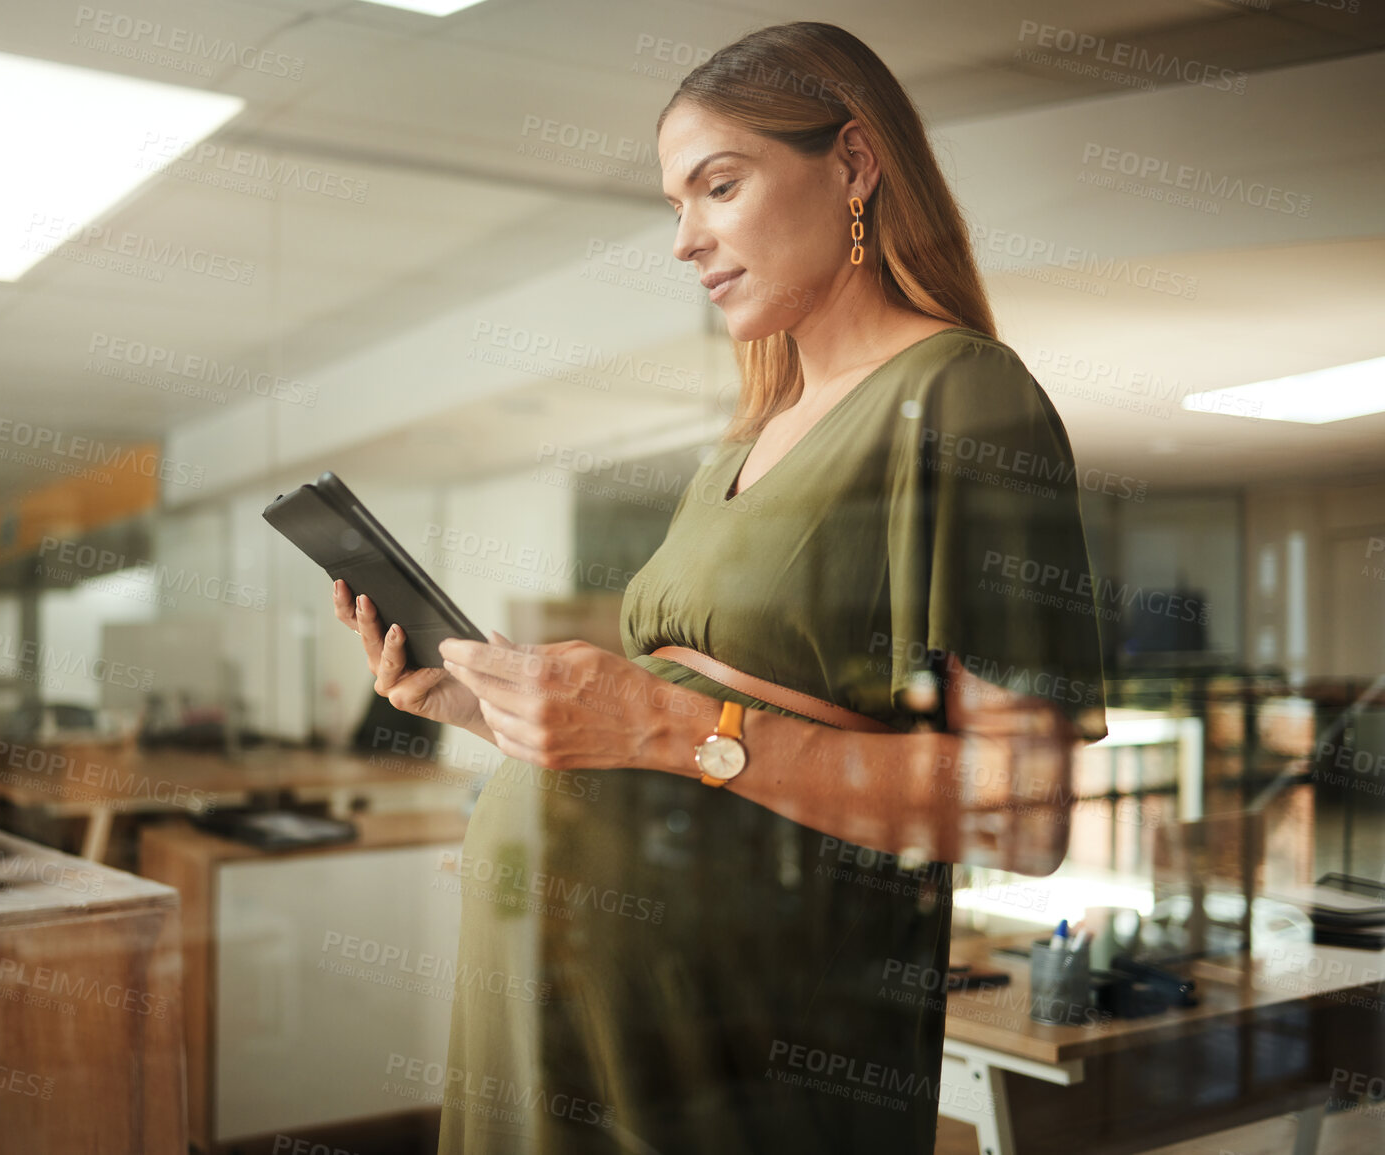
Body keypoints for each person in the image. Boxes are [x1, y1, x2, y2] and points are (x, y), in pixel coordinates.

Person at [334, 21, 1107, 1155]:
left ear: (852, 164)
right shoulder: (741, 446)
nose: (686, 240)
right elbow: (679, 726)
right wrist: (493, 707)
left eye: (719, 186)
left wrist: (660, 721)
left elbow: (1021, 810)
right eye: (674, 206)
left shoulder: (961, 399)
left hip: (742, 1051)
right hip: (568, 1013)